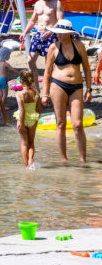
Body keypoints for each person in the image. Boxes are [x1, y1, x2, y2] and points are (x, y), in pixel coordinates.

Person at [42, 19, 92, 162]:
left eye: (61, 33)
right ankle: (64, 159)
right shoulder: (53, 47)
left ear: (69, 33)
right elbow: (47, 72)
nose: (58, 35)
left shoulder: (80, 46)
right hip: (58, 85)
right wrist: (44, 93)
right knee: (61, 123)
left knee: (77, 124)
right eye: (57, 32)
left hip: (77, 86)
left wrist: (89, 89)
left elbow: (87, 69)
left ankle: (83, 159)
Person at [21, 0, 63, 81]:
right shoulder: (38, 3)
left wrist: (52, 31)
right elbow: (32, 21)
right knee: (30, 60)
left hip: (51, 35)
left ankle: (48, 89)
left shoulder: (56, 3)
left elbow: (60, 20)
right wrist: (25, 32)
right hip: (39, 34)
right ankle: (36, 88)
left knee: (49, 64)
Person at [15, 70, 41, 169]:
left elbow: (21, 110)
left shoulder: (20, 94)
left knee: (23, 144)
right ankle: (31, 160)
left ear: (21, 80)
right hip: (33, 119)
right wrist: (36, 121)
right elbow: (38, 109)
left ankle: (26, 166)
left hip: (22, 119)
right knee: (31, 143)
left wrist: (21, 123)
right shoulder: (36, 93)